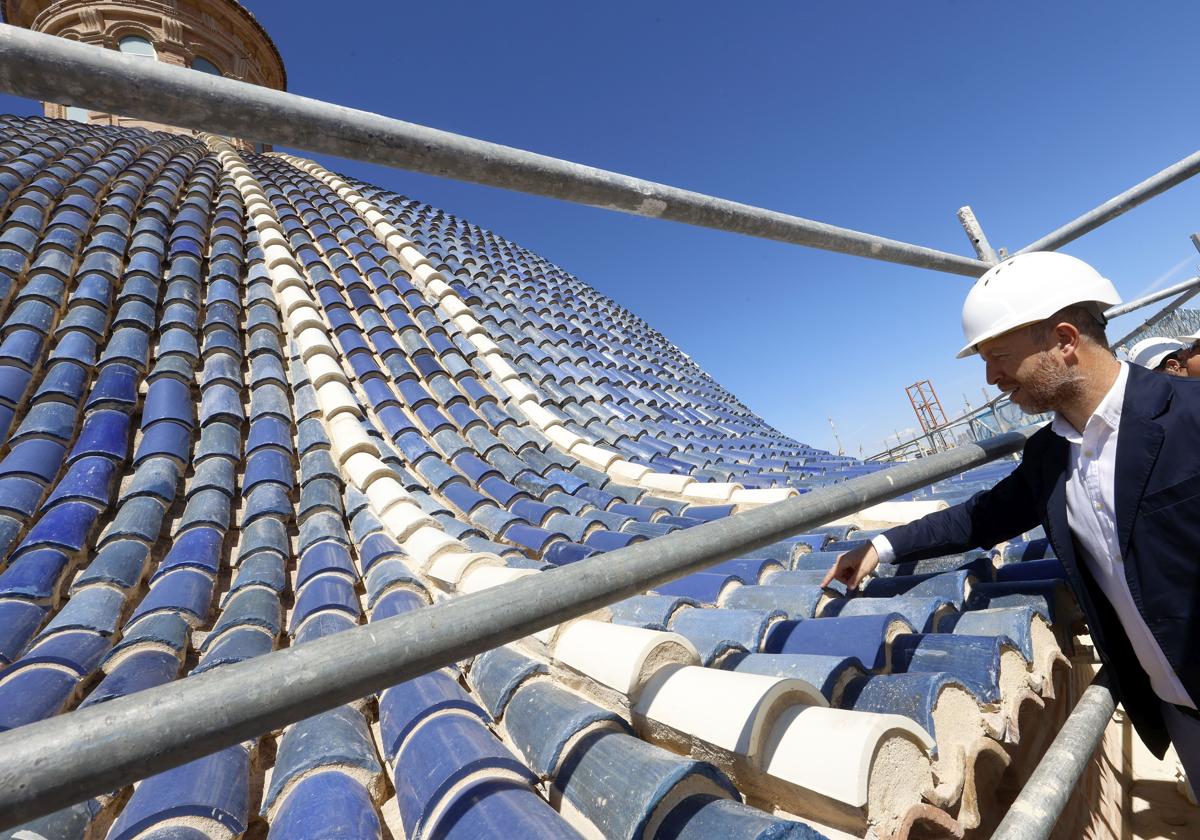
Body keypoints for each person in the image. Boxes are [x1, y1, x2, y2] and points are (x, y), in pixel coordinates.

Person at [822, 251, 1200, 788]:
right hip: (1176, 709)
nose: (991, 377)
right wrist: (878, 548)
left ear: (1066, 340)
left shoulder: (1192, 414)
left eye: (998, 355)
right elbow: (976, 519)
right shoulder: (1050, 456)